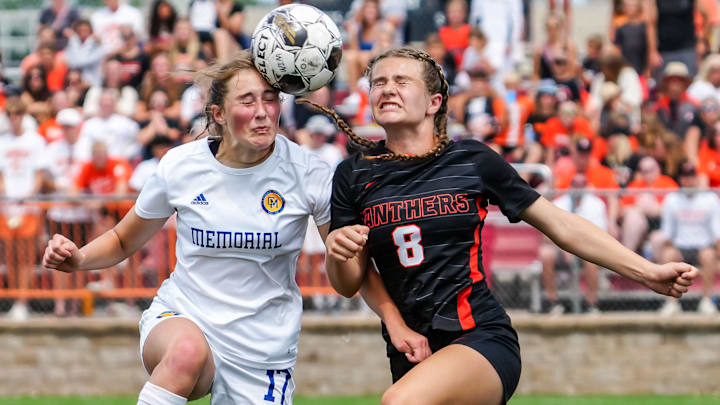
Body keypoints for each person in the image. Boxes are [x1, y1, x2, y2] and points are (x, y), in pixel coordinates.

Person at [315, 47, 698, 405]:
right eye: (378, 82)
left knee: (399, 403)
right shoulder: (353, 174)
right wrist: (340, 254)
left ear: (435, 102)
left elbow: (560, 224)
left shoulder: (472, 160)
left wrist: (647, 271)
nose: (387, 89)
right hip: (411, 345)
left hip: (479, 337)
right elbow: (349, 281)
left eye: (402, 81)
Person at [42, 51, 335, 404]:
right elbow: (122, 240)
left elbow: (347, 278)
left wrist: (349, 251)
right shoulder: (182, 165)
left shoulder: (308, 171)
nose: (262, 111)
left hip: (263, 346)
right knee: (185, 353)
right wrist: (77, 259)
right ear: (218, 114)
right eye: (247, 100)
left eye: (270, 100)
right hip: (184, 315)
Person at [658, 162, 720, 315]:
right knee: (668, 255)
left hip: (703, 247)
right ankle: (671, 303)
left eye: (691, 176)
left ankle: (706, 301)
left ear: (697, 178)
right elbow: (667, 234)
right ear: (680, 179)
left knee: (709, 256)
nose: (689, 181)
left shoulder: (710, 199)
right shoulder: (672, 199)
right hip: (680, 247)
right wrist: (669, 250)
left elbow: (717, 232)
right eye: (685, 177)